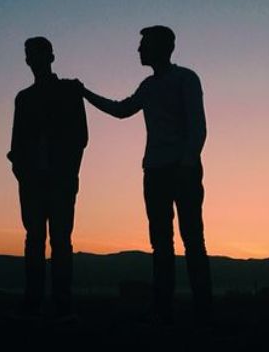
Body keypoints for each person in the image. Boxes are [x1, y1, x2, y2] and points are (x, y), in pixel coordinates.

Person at [80, 26, 212, 325]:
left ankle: (203, 310)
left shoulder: (186, 78)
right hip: (154, 170)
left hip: (182, 169)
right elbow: (122, 109)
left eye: (143, 45)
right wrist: (86, 94)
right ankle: (164, 308)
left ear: (161, 47)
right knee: (161, 241)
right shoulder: (149, 86)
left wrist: (188, 162)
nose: (139, 50)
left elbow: (198, 125)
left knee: (192, 239)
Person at [8, 37, 88, 320]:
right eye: (29, 54)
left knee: (60, 240)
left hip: (60, 180)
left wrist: (67, 172)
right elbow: (16, 143)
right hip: (32, 180)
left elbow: (81, 137)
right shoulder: (24, 98)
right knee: (34, 239)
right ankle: (34, 300)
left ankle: (61, 302)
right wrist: (20, 171)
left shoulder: (69, 91)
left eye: (38, 53)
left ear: (50, 57)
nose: (33, 59)